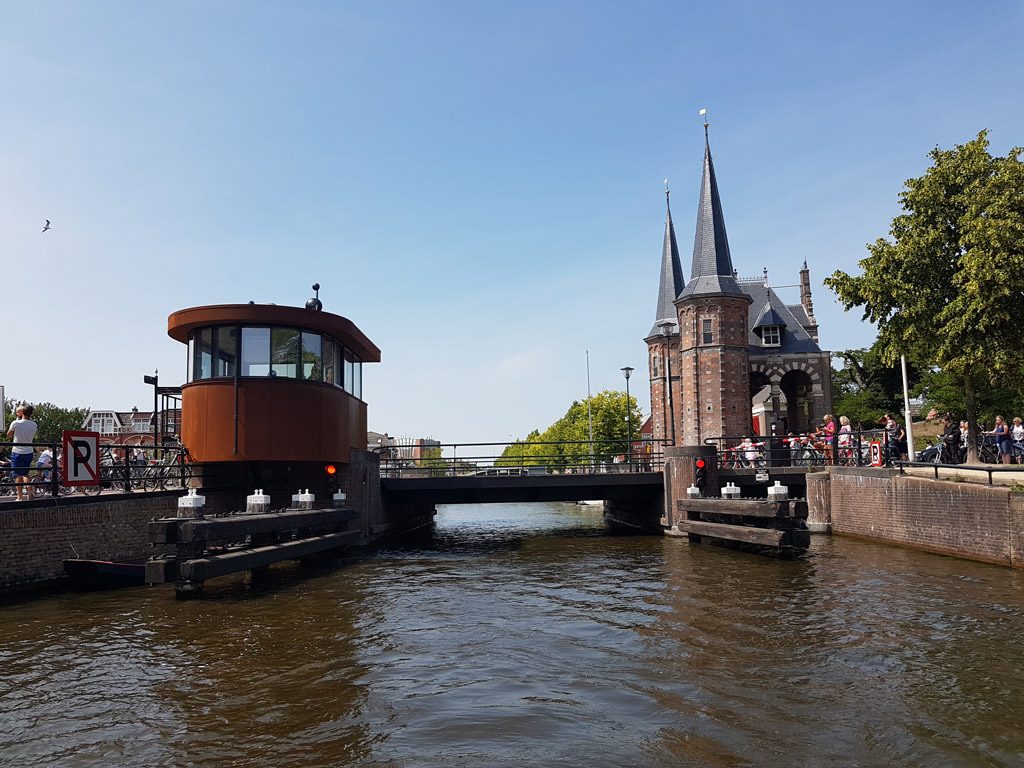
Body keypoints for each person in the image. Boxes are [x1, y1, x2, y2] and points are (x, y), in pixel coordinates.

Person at [6, 405, 38, 501]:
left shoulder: (15, 423)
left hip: (17, 452)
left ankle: (19, 497)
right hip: (29, 452)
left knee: (17, 475)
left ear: (22, 413)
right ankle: (29, 491)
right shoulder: (34, 425)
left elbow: (8, 435)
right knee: (25, 474)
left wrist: (16, 420)